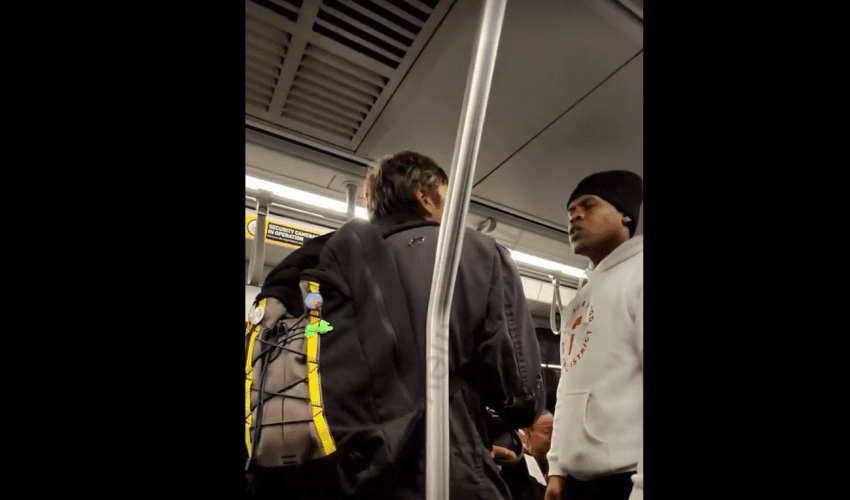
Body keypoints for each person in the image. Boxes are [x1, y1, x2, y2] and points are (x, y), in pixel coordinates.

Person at [250, 151, 545, 499]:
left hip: (331, 473)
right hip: (440, 471)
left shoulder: (318, 264)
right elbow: (520, 396)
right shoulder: (472, 252)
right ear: (426, 196)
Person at [544, 170, 643, 500]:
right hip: (575, 482)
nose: (575, 216)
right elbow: (566, 391)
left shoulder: (639, 275)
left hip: (626, 483)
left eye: (587, 205)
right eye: (570, 211)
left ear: (625, 213)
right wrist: (556, 469)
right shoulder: (578, 301)